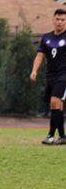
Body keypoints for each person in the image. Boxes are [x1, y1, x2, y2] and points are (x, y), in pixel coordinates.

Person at [31, 8, 66, 145]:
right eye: (57, 19)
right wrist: (34, 70)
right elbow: (40, 56)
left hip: (64, 75)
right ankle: (62, 136)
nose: (60, 22)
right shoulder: (46, 38)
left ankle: (50, 135)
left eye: (63, 20)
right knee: (56, 105)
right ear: (53, 20)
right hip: (51, 75)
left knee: (54, 101)